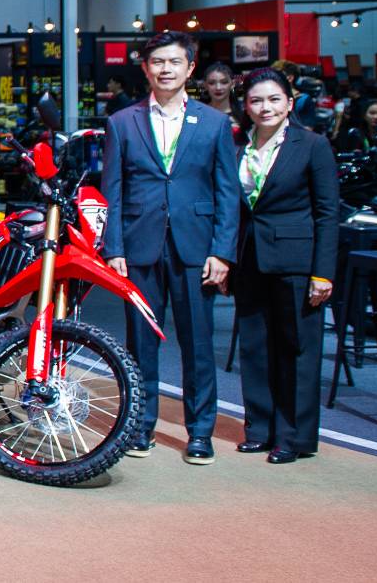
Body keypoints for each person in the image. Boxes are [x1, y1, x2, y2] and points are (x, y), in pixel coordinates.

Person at [101, 30, 238, 464]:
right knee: (140, 342)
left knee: (198, 344)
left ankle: (200, 432)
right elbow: (112, 192)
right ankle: (140, 426)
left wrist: (222, 251)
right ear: (145, 68)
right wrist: (113, 248)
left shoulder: (214, 123)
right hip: (139, 246)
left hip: (196, 248)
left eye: (174, 62)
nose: (165, 69)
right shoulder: (122, 122)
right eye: (157, 62)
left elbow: (227, 192)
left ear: (189, 68)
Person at [234, 67, 339, 464]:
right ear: (246, 106)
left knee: (297, 350)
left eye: (274, 99)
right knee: (255, 348)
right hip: (249, 259)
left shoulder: (312, 145)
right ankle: (259, 430)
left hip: (297, 263)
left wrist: (322, 272)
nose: (266, 107)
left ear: (290, 103)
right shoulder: (237, 145)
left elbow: (327, 213)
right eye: (257, 100)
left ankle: (293, 437)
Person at [200, 61, 247, 145]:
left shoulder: (244, 114)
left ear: (232, 84)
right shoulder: (198, 114)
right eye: (212, 83)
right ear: (205, 85)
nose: (218, 87)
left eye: (224, 82)